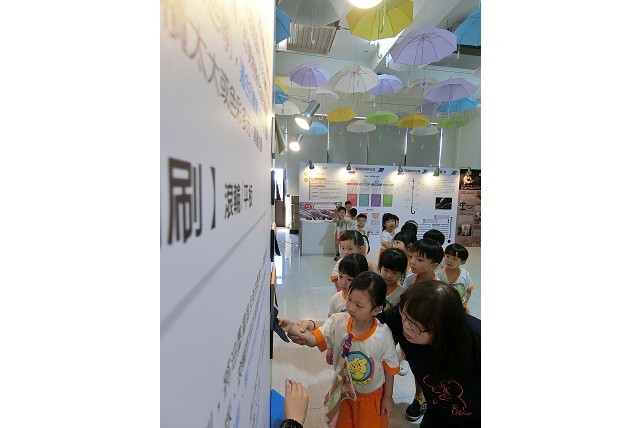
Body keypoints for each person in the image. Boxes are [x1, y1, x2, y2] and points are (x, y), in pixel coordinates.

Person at [286, 280, 481, 428]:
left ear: (442, 330)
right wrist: (313, 326)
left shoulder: (477, 341)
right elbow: (359, 324)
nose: (405, 327)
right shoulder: (404, 319)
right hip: (437, 411)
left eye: (415, 326)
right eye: (404, 316)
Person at [280, 272, 400, 428]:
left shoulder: (383, 335)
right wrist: (291, 327)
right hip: (342, 392)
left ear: (376, 310)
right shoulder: (337, 321)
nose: (351, 307)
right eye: (349, 299)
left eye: (359, 305)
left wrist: (387, 397)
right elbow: (314, 339)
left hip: (371, 397)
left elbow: (389, 369)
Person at [401, 238, 444, 421]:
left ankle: (423, 398)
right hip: (409, 332)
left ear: (433, 265)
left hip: (426, 336)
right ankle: (421, 396)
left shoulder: (438, 288)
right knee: (414, 364)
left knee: (425, 369)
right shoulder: (411, 278)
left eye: (419, 260)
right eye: (412, 256)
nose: (412, 262)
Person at [326, 253, 370, 365]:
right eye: (340, 276)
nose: (343, 283)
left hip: (362, 349)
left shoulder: (367, 301)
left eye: (349, 279)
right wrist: (329, 347)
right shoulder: (336, 299)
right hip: (341, 347)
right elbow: (330, 326)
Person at [378, 248, 411, 377]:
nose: (389, 275)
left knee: (387, 358)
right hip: (372, 328)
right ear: (380, 267)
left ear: (402, 274)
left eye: (395, 272)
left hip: (391, 333)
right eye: (386, 270)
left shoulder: (402, 293)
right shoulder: (373, 287)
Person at [436, 243, 475, 314]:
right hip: (443, 307)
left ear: (463, 261)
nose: (450, 261)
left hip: (461, 306)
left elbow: (468, 290)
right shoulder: (439, 274)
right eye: (447, 256)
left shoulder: (465, 274)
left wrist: (465, 303)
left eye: (455, 259)